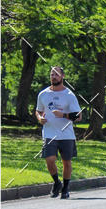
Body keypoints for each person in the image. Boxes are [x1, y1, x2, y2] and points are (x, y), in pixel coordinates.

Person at [35, 66, 82, 199]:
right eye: (51, 74)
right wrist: (40, 118)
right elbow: (38, 110)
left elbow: (78, 116)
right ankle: (57, 182)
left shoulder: (69, 95)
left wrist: (63, 115)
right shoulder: (43, 94)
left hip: (66, 134)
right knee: (49, 160)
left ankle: (65, 189)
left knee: (66, 162)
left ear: (63, 76)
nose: (53, 77)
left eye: (56, 74)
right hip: (49, 133)